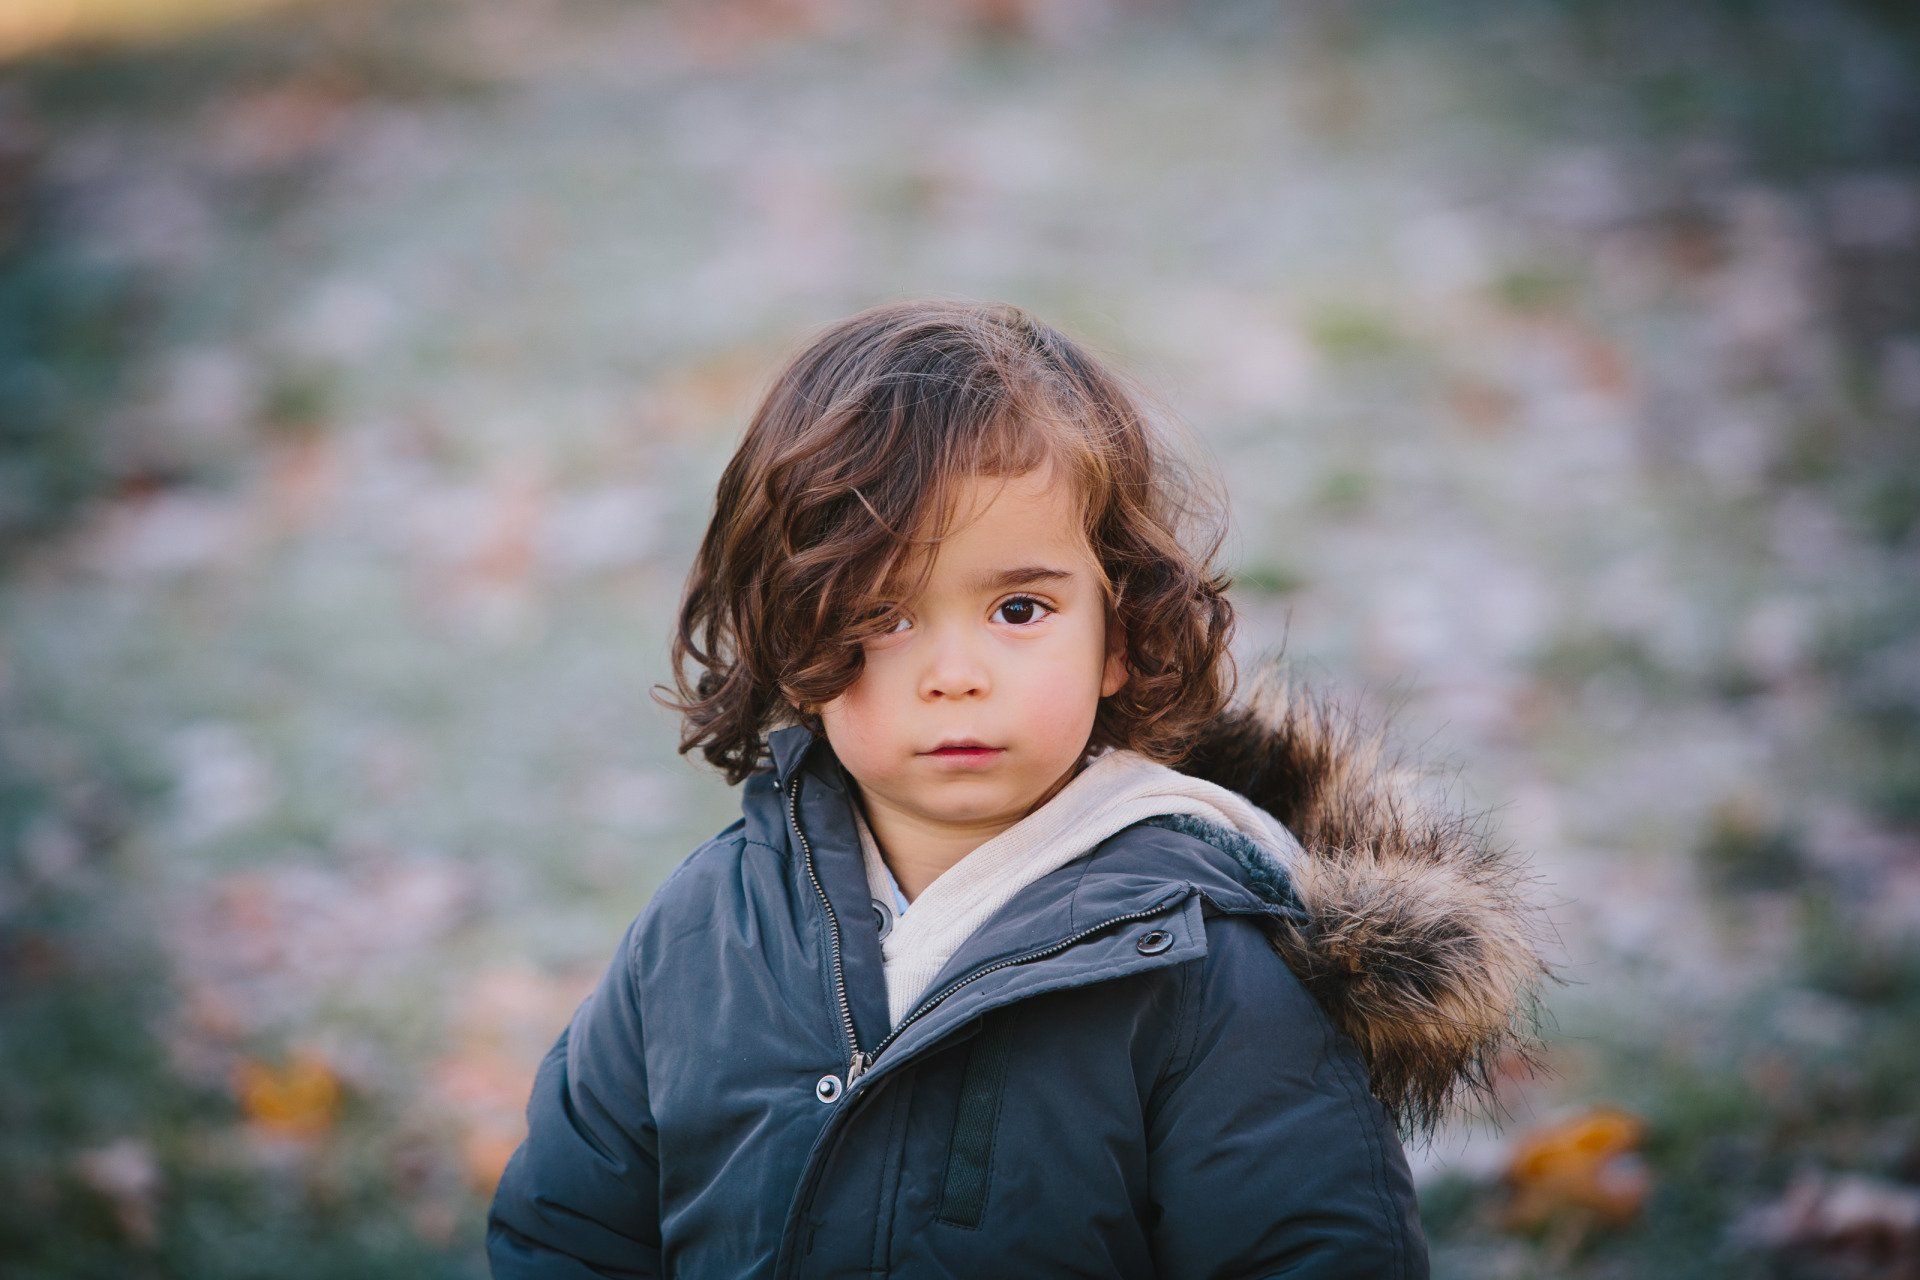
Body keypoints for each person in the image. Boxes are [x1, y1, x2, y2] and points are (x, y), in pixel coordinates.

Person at [487, 299, 1558, 1278]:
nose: (957, 671)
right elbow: (567, 1234)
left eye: (1018, 610)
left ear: (1121, 636)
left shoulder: (1204, 967)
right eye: (884, 615)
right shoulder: (700, 936)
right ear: (792, 635)